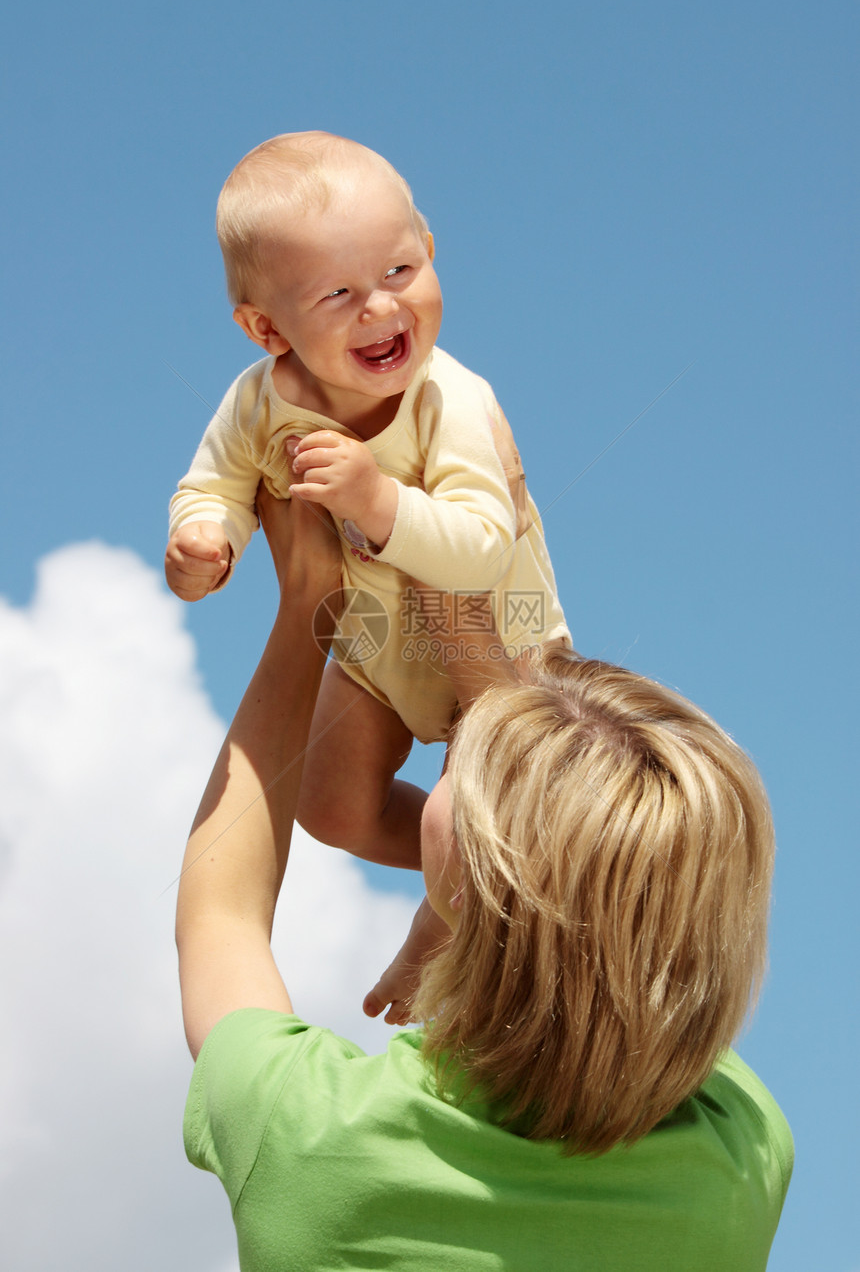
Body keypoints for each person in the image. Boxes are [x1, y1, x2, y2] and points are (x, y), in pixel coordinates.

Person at [177, 486, 793, 1271]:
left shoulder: (309, 1134)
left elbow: (219, 916)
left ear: (470, 884)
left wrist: (310, 606)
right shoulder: (738, 1162)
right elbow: (636, 939)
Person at [164, 130, 569, 886]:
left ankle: (450, 913)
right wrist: (203, 540)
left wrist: (376, 498)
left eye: (399, 269)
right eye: (339, 294)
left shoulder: (449, 398)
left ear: (431, 248)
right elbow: (216, 481)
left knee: (490, 809)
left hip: (503, 647)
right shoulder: (260, 402)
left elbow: (482, 547)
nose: (380, 306)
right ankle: (456, 888)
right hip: (379, 649)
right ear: (268, 329)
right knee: (331, 810)